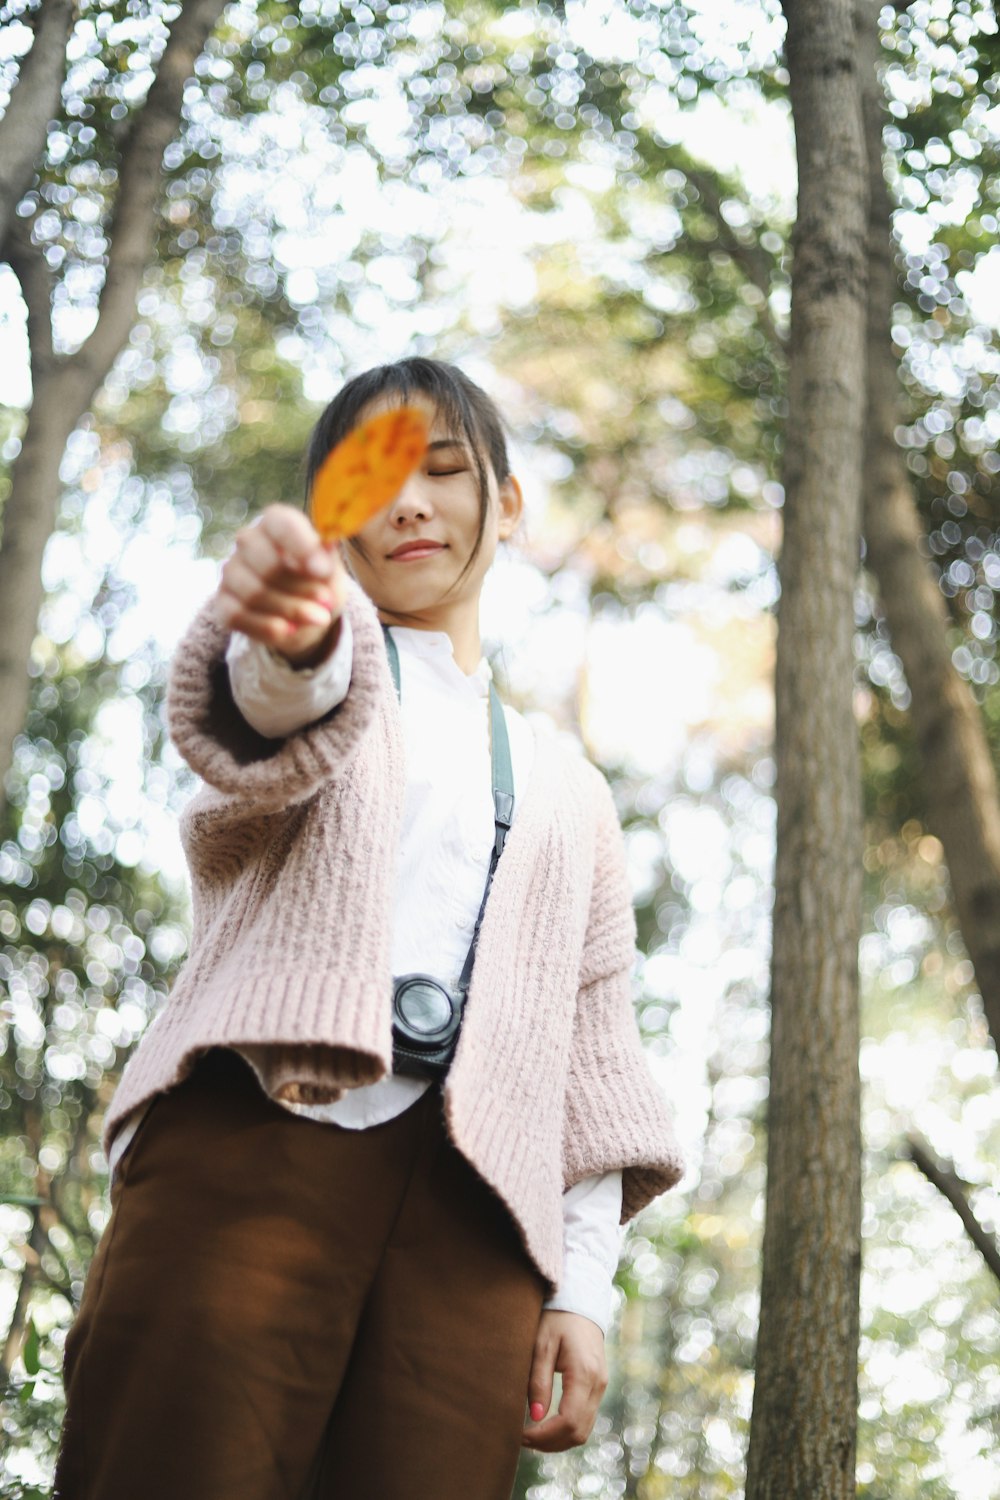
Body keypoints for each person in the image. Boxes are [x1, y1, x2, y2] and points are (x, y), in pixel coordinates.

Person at [54, 357, 684, 1500]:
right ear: (331, 523)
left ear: (508, 499)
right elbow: (270, 707)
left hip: (476, 1226)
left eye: (444, 471)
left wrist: (580, 1292)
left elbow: (594, 1064)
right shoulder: (334, 667)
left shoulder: (569, 788)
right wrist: (288, 633)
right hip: (251, 1140)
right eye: (374, 480)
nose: (411, 503)